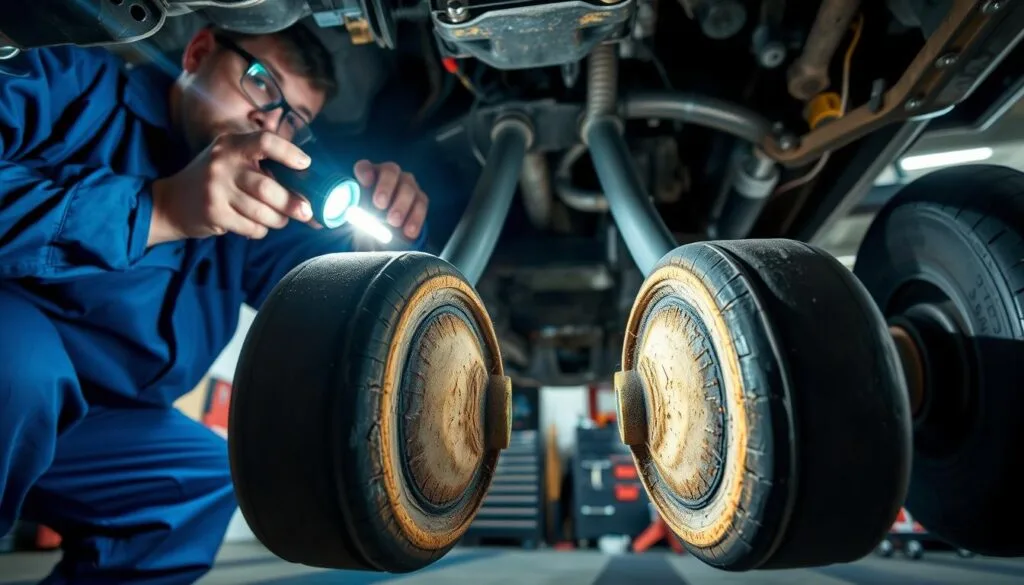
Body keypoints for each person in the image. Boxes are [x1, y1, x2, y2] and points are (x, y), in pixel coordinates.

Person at [0, 21, 430, 584]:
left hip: (95, 426)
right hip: (16, 375)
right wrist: (158, 210)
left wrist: (384, 236)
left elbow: (327, 295)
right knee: (23, 366)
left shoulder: (254, 209)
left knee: (196, 480)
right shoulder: (69, 82)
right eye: (260, 82)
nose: (268, 121)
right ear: (199, 50)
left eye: (293, 119)